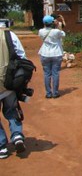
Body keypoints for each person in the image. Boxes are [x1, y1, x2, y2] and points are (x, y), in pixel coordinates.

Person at [0, 28, 27, 159]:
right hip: (8, 82)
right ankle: (17, 136)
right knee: (11, 110)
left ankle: (2, 147)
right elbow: (22, 56)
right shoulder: (8, 34)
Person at [38, 15, 66, 99]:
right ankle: (55, 93)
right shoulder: (56, 31)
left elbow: (43, 31)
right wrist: (57, 25)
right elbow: (63, 34)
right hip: (56, 54)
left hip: (45, 54)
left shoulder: (40, 31)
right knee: (55, 74)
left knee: (47, 74)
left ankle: (48, 93)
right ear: (52, 22)